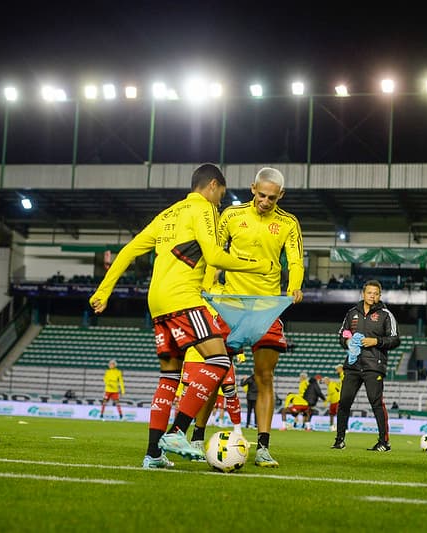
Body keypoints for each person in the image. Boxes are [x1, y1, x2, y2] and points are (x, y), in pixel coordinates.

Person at [89, 163, 274, 469]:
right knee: (218, 360)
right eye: (221, 196)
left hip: (157, 301)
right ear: (212, 186)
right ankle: (177, 432)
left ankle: (153, 454)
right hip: (182, 297)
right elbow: (214, 256)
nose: (220, 203)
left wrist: (103, 291)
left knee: (169, 376)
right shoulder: (203, 209)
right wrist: (258, 265)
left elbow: (128, 251)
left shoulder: (167, 214)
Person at [209, 166, 304, 467]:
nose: (265, 201)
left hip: (266, 307)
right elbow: (213, 252)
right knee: (212, 373)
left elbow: (297, 259)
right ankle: (197, 437)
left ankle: (262, 447)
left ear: (281, 195)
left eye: (272, 198)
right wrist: (210, 285)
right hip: (231, 303)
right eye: (261, 195)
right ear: (252, 188)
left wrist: (295, 286)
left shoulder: (289, 223)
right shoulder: (231, 216)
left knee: (265, 377)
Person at [332, 280, 400, 451]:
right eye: (369, 293)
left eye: (376, 293)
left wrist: (376, 341)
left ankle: (384, 442)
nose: (372, 296)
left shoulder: (386, 314)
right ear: (363, 294)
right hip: (353, 365)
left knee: (376, 403)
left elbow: (395, 339)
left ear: (379, 295)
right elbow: (342, 334)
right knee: (344, 402)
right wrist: (347, 341)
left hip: (373, 365)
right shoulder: (351, 313)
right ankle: (339, 439)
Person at [324, 365, 343, 431]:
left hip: (337, 401)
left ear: (328, 380)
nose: (325, 382)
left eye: (325, 381)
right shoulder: (330, 385)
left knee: (338, 415)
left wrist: (326, 401)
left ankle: (339, 427)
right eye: (324, 381)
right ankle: (332, 426)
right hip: (333, 402)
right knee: (331, 414)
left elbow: (331, 394)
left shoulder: (332, 384)